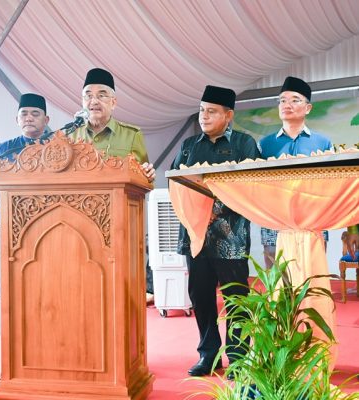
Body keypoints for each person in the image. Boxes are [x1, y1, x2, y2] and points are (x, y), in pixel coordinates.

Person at [171, 85, 260, 377]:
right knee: (200, 296)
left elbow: (251, 187)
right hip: (195, 237)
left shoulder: (244, 144)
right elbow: (174, 183)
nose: (204, 116)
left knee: (236, 298)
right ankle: (208, 355)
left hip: (230, 239)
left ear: (228, 115)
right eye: (201, 110)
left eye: (211, 111)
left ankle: (238, 358)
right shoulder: (188, 145)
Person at [258, 76, 333, 268]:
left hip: (312, 221)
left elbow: (330, 185)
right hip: (275, 222)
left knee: (311, 276)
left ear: (307, 108)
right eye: (282, 100)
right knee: (278, 282)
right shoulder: (265, 144)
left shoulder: (323, 143)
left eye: (294, 100)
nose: (287, 105)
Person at [0, 93, 49, 296]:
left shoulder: (59, 148)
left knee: (47, 280)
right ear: (17, 119)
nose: (29, 118)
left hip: (48, 225)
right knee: (12, 285)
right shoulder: (4, 150)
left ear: (46, 119)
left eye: (35, 113)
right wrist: (2, 217)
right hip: (12, 226)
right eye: (24, 114)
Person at [69, 67, 155, 182]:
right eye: (88, 96)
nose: (94, 101)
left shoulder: (131, 135)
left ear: (113, 103)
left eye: (101, 95)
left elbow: (144, 179)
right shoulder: (69, 135)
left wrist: (147, 175)